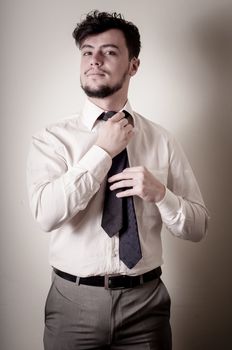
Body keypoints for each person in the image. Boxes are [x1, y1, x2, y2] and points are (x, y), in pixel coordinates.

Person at [27, 10, 209, 350]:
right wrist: (101, 153)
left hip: (146, 306)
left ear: (133, 65)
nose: (94, 60)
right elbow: (45, 215)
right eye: (87, 51)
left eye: (109, 51)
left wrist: (162, 194)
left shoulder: (162, 140)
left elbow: (198, 227)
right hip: (72, 305)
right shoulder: (51, 139)